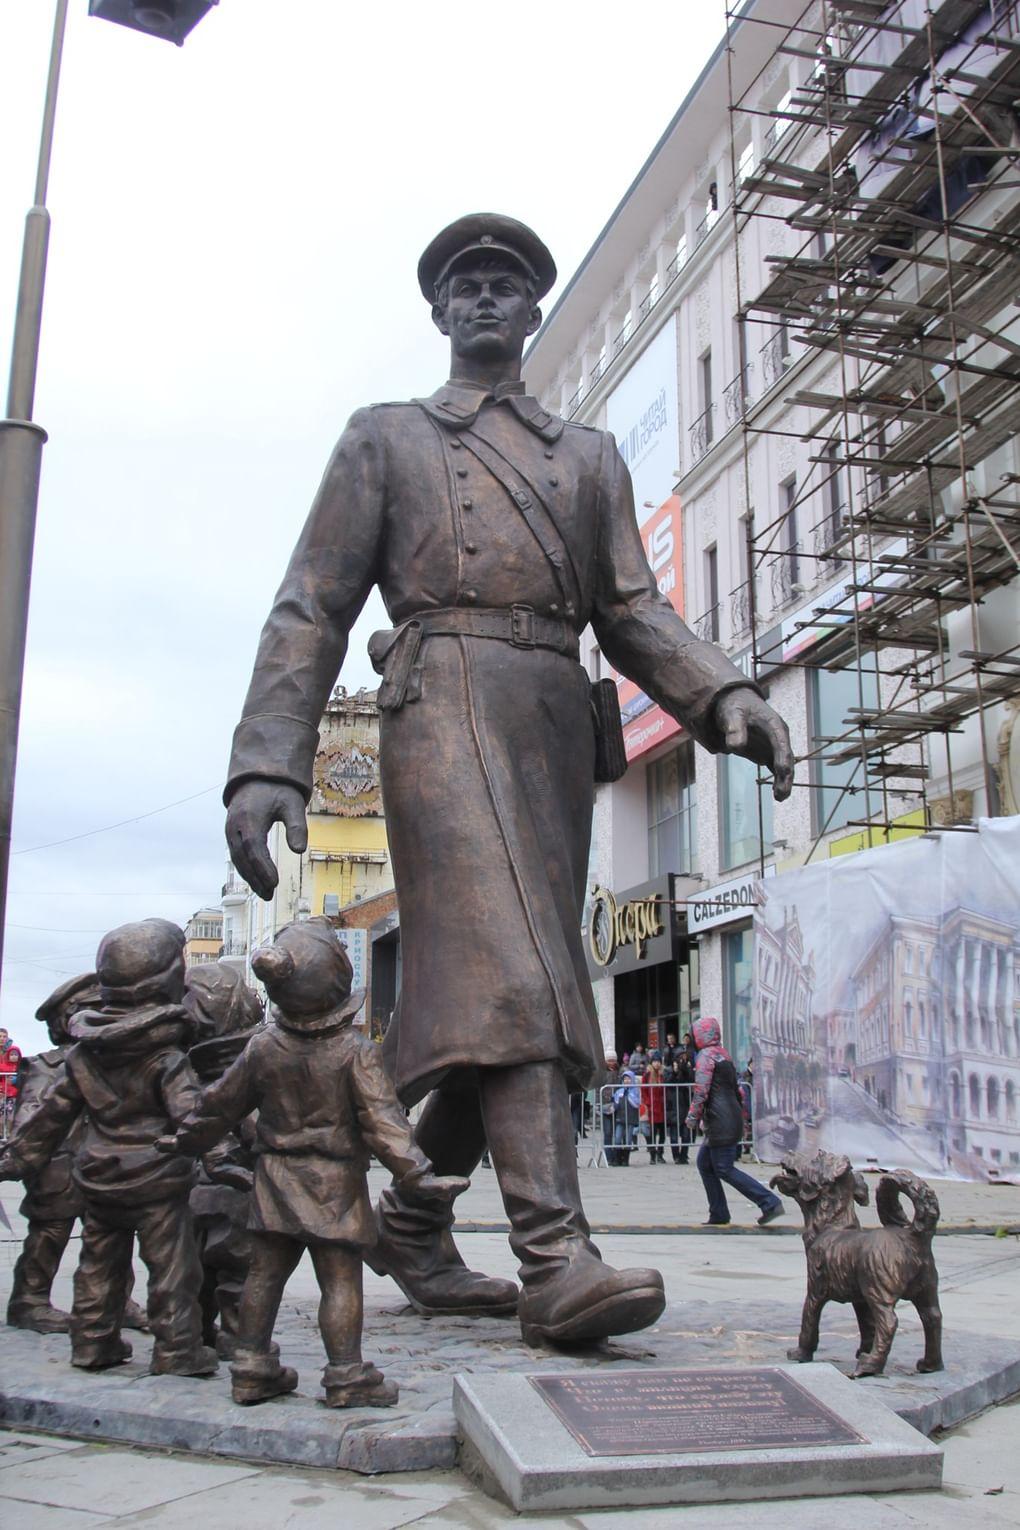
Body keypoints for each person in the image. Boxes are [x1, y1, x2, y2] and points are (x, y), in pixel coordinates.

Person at [222, 212, 794, 1347]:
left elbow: (632, 609)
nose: (484, 299)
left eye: (505, 284)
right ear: (438, 310)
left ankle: (417, 1228)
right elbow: (313, 603)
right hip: (438, 704)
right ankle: (555, 1256)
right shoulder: (384, 437)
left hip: (548, 721)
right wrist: (268, 760)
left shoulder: (587, 456)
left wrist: (724, 697)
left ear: (533, 309)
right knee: (522, 971)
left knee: (512, 988)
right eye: (464, 285)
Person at [158, 920, 466, 1408]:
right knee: (340, 1279)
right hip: (335, 1182)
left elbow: (219, 1105)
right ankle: (345, 1374)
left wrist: (186, 1138)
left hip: (275, 1177)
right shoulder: (356, 1053)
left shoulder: (262, 1048)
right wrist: (418, 1176)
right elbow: (386, 1125)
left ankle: (252, 1367)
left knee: (264, 1274)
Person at [0, 920, 218, 1375]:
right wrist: (212, 1144)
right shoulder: (166, 1057)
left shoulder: (81, 1057)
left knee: (98, 1263)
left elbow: (48, 1119)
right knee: (173, 1268)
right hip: (157, 1181)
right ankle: (177, 1350)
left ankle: (92, 1343)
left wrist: (19, 1158)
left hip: (98, 1178)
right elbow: (192, 1119)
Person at [183, 961, 265, 1358]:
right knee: (238, 1269)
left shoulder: (183, 1069)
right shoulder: (247, 1068)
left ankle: (193, 1331)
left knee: (194, 1270)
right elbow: (254, 1129)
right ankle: (237, 1334)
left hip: (191, 1188)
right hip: (234, 1189)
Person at [684, 1017, 783, 1228]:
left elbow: (701, 1090)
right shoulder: (723, 1055)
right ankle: (718, 1212)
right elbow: (737, 1090)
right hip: (728, 1118)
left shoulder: (706, 1057)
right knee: (705, 1164)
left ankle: (769, 1202)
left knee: (723, 1168)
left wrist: (692, 1117)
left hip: (720, 1121)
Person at [612, 1068, 641, 1166]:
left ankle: (625, 1160)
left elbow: (636, 1104)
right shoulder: (619, 1091)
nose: (626, 1081)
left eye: (629, 1079)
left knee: (628, 1139)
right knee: (617, 1138)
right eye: (625, 1079)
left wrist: (628, 1095)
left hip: (630, 1118)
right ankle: (617, 1158)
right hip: (620, 1118)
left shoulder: (635, 1091)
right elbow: (616, 1103)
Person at [641, 1056, 668, 1164]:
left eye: (658, 1062)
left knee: (662, 1133)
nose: (657, 1064)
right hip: (652, 1107)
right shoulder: (647, 1075)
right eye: (655, 1062)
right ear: (651, 1063)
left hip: (662, 1107)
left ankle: (660, 1153)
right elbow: (644, 1090)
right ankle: (652, 1155)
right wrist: (647, 1103)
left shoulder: (663, 1075)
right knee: (652, 1132)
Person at [0, 1028, 22, 1138]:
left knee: (10, 1115)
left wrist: (16, 1079)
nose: (2, 1039)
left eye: (4, 1037)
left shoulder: (12, 1050)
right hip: (2, 1088)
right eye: (0, 1036)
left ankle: (8, 1135)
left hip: (11, 1091)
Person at [600, 1050, 621, 1166]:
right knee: (608, 1132)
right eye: (609, 1060)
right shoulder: (602, 1073)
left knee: (617, 1132)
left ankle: (617, 1156)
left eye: (613, 1060)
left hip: (618, 1105)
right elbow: (599, 1090)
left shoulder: (620, 1072)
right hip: (606, 1105)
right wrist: (598, 1104)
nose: (611, 1062)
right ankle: (609, 1156)